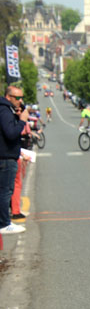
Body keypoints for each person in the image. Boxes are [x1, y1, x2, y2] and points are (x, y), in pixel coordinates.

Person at [0, 85, 29, 235]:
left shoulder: (6, 110)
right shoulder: (4, 110)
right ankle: (4, 223)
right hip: (5, 157)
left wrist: (17, 117)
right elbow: (11, 133)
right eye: (18, 98)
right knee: (6, 191)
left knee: (5, 191)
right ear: (9, 97)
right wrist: (22, 121)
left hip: (6, 155)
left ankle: (4, 221)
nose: (20, 101)